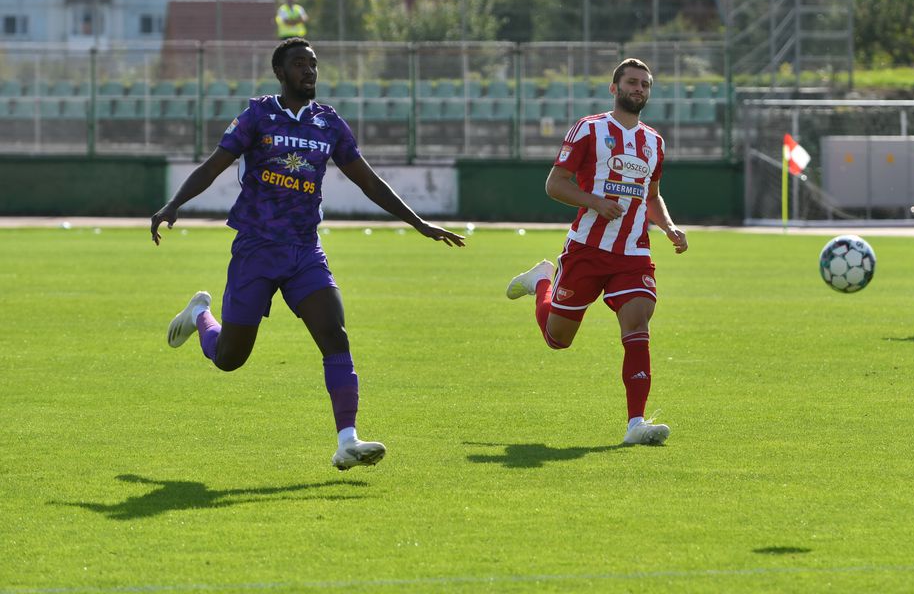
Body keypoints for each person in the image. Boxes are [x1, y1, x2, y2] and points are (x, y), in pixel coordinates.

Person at [150, 37, 465, 470]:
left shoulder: (328, 123)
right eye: (300, 64)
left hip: (304, 251)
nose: (309, 71)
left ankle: (347, 440)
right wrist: (173, 204)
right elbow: (213, 165)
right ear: (281, 73)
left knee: (334, 335)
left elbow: (368, 181)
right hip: (256, 249)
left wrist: (418, 222)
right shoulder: (258, 115)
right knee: (229, 360)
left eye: (313, 64)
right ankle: (200, 316)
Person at [505, 58, 688, 445]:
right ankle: (542, 280)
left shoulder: (654, 141)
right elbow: (555, 184)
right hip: (587, 249)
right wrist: (595, 202)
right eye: (633, 82)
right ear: (614, 87)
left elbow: (652, 196)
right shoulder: (590, 129)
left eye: (645, 84)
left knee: (638, 324)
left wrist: (669, 226)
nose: (639, 89)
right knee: (558, 340)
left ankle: (635, 424)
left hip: (633, 253)